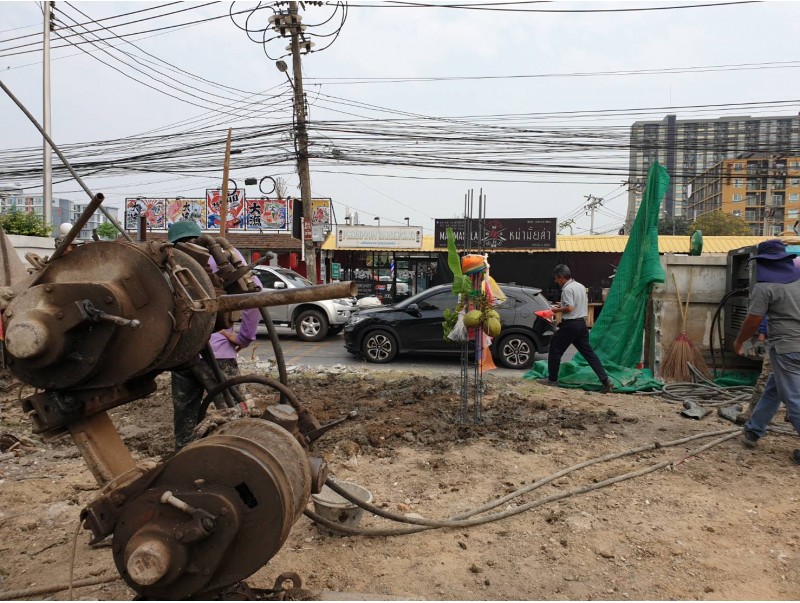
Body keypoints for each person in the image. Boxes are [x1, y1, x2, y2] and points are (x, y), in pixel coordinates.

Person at [167, 220, 261, 448]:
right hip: (218, 355)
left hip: (183, 355)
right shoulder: (218, 256)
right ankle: (242, 453)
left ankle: (184, 459)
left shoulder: (167, 262)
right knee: (235, 411)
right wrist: (243, 337)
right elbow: (253, 295)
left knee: (185, 418)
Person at [733, 239, 800, 464]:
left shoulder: (765, 287)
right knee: (774, 389)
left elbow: (752, 321)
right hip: (792, 348)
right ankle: (753, 431)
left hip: (787, 349)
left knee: (794, 398)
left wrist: (739, 341)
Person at [537, 264, 613, 394]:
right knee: (589, 354)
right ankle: (605, 381)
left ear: (561, 277)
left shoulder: (567, 289)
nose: (556, 282)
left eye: (556, 279)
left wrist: (555, 310)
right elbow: (576, 304)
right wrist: (563, 305)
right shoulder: (580, 286)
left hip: (570, 324)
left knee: (555, 349)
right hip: (581, 324)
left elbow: (570, 308)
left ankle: (552, 379)